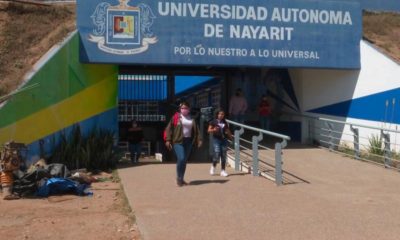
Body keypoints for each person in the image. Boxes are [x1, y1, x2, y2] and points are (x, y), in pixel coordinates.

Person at [165, 101, 202, 187]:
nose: (184, 109)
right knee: (181, 158)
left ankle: (181, 178)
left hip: (188, 141)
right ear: (180, 109)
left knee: (184, 161)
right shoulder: (176, 117)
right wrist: (168, 140)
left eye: (186, 108)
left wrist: (199, 139)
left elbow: (197, 130)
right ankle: (178, 178)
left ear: (189, 109)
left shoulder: (192, 118)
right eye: (182, 108)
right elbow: (168, 129)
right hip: (178, 141)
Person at [208, 109, 233, 177]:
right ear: (217, 114)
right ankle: (213, 166)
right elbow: (209, 130)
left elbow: (228, 131)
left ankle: (223, 171)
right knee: (217, 153)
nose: (221, 115)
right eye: (220, 114)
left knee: (224, 156)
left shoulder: (224, 122)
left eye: (222, 114)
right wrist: (214, 129)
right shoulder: (213, 121)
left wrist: (231, 138)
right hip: (216, 139)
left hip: (224, 140)